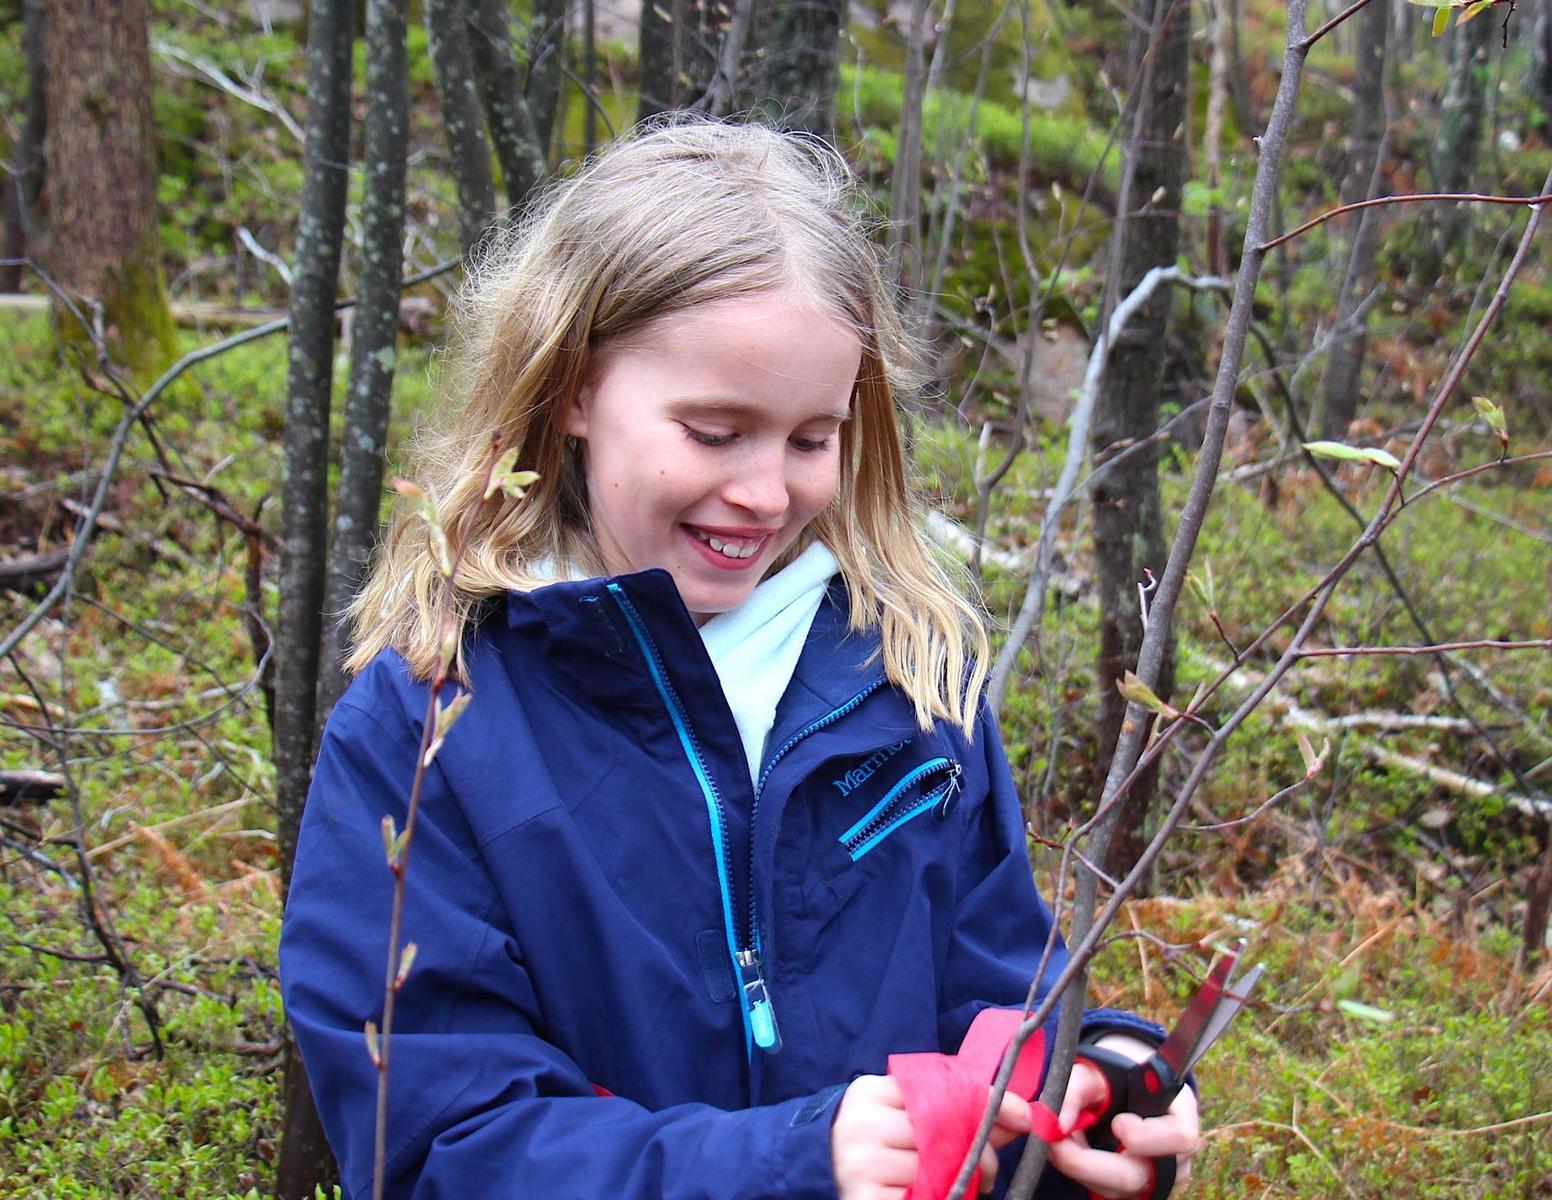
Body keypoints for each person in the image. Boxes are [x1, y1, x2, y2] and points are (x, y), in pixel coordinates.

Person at [279, 120, 1201, 1200]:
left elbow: (999, 998)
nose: (767, 493)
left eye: (813, 439)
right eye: (716, 433)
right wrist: (793, 1166)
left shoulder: (903, 677)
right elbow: (439, 1145)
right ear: (571, 388)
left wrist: (1093, 1095)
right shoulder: (431, 726)